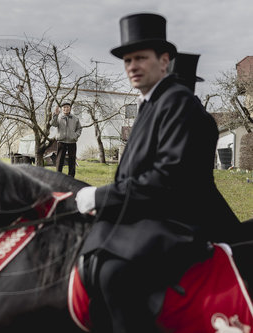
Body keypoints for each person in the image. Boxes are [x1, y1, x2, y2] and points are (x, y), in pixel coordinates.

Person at [75, 13, 240, 333]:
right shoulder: (151, 105)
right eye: (127, 60)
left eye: (141, 58)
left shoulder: (177, 103)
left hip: (174, 218)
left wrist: (99, 195)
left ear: (164, 61)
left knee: (115, 273)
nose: (132, 66)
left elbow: (167, 181)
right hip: (150, 210)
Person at [51, 102, 82, 177]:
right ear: (62, 109)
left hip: (72, 141)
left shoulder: (75, 118)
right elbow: (53, 124)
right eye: (64, 107)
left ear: (70, 108)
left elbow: (79, 128)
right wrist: (55, 115)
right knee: (59, 160)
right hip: (61, 141)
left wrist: (75, 136)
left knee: (72, 160)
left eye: (67, 107)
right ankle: (58, 176)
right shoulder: (58, 117)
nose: (66, 109)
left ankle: (71, 177)